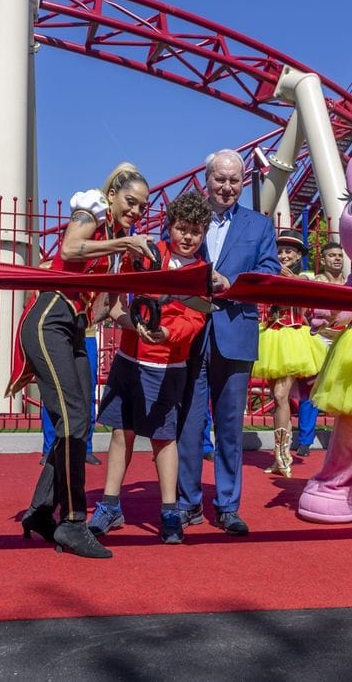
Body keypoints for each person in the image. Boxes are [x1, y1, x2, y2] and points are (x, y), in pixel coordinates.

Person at [9, 162, 155, 558]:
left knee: (77, 422)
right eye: (131, 202)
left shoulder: (120, 244)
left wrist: (138, 326)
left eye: (143, 207)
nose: (136, 211)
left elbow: (110, 308)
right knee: (74, 420)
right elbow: (71, 248)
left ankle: (41, 512)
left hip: (75, 327)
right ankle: (73, 521)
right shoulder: (89, 212)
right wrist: (124, 244)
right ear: (112, 196)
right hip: (49, 316)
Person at [88, 189, 211, 544]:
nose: (187, 237)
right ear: (169, 227)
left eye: (195, 231)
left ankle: (169, 511)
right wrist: (131, 323)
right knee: (120, 432)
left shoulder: (202, 273)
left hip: (167, 365)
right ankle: (110, 505)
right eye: (182, 228)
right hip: (129, 358)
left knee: (163, 438)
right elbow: (120, 288)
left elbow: (195, 321)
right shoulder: (150, 253)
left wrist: (166, 333)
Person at [175, 149, 280, 536]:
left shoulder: (259, 225)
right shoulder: (189, 219)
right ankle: (186, 503)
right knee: (188, 421)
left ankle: (227, 504)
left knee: (231, 426)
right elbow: (171, 260)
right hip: (190, 330)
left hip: (236, 332)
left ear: (242, 182)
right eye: (220, 179)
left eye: (234, 180)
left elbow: (270, 270)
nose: (227, 187)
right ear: (207, 179)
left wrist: (230, 284)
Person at [251, 229, 326, 477]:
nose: (283, 255)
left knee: (281, 394)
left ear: (298, 256)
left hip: (293, 338)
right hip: (271, 338)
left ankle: (284, 457)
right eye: (280, 251)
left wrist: (282, 275)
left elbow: (304, 287)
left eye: (289, 251)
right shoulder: (268, 275)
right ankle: (279, 456)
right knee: (277, 397)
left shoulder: (303, 278)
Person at [295, 241, 346, 456]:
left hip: (345, 339)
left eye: (339, 255)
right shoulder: (315, 281)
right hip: (320, 339)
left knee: (346, 389)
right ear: (323, 260)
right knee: (312, 388)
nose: (337, 259)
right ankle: (305, 440)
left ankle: (349, 441)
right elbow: (304, 313)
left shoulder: (351, 283)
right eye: (332, 255)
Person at [38, 328, 100, 466]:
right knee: (54, 393)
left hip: (86, 335)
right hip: (59, 336)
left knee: (88, 393)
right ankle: (50, 449)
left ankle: (86, 448)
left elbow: (106, 306)